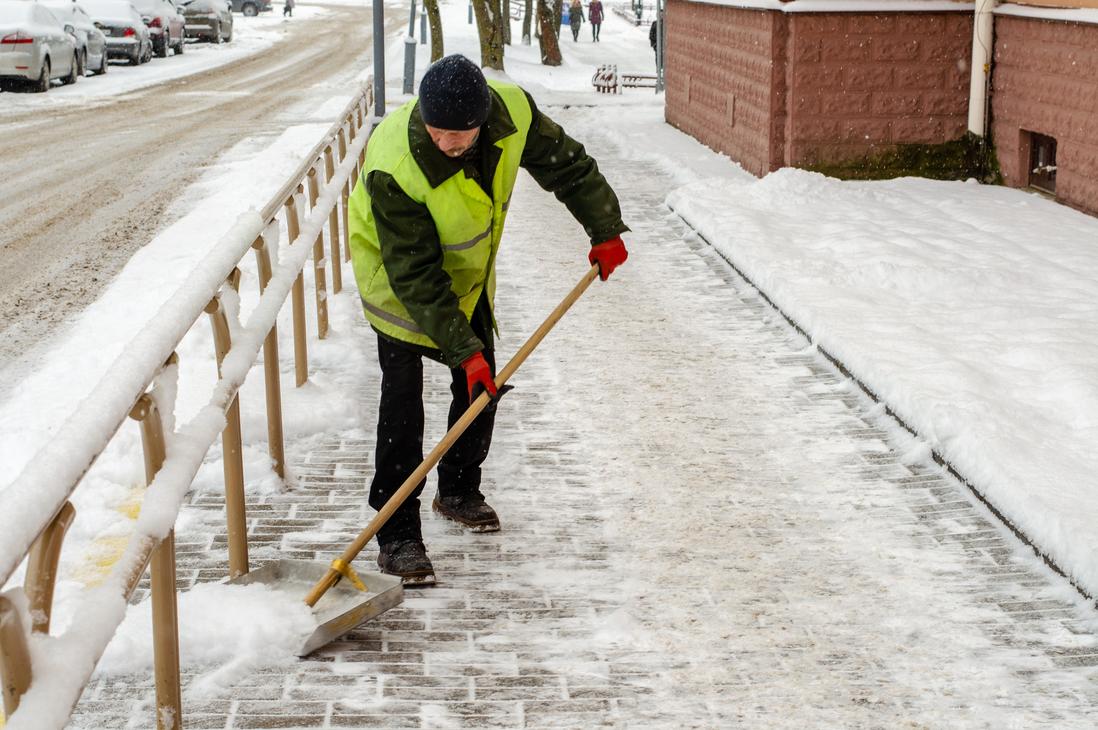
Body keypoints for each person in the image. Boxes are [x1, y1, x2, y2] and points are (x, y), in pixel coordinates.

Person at [347, 55, 629, 585]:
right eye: (438, 133)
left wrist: (603, 225)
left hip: (467, 276)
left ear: (484, 119)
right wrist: (462, 348)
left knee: (480, 389)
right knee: (403, 409)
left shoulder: (513, 112)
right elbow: (416, 274)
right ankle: (397, 534)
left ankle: (456, 489)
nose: (449, 144)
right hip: (399, 283)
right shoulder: (394, 163)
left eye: (461, 134)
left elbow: (565, 163)